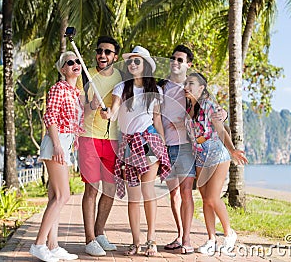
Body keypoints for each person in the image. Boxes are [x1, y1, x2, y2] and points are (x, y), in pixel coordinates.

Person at [101, 46, 171, 257]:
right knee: (133, 197)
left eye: (137, 61)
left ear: (146, 65)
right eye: (130, 61)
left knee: (148, 193)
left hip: (149, 141)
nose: (132, 64)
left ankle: (152, 240)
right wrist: (108, 115)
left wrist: (163, 145)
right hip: (129, 145)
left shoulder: (155, 91)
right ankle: (136, 241)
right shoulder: (121, 88)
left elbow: (157, 119)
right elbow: (113, 111)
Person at [160, 45, 227, 254]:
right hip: (167, 146)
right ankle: (180, 236)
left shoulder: (192, 87)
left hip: (188, 147)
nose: (175, 62)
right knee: (173, 195)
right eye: (173, 58)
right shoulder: (162, 87)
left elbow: (213, 107)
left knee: (186, 191)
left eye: (180, 59)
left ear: (188, 64)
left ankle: (188, 239)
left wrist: (222, 114)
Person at [184, 72, 248, 255]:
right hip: (200, 158)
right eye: (186, 83)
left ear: (202, 88)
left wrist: (232, 149)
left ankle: (229, 234)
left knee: (212, 197)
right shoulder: (189, 110)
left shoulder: (209, 106)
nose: (187, 87)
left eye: (191, 84)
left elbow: (220, 130)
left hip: (218, 156)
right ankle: (211, 239)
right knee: (205, 199)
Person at [29, 51, 84, 262]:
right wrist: (58, 146)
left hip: (66, 143)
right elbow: (50, 115)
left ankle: (53, 245)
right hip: (56, 142)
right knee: (63, 196)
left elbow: (80, 120)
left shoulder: (76, 93)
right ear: (63, 69)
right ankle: (39, 244)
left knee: (55, 197)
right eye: (70, 62)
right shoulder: (59, 88)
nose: (75, 64)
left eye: (77, 61)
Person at [76, 36, 122, 257]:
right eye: (99, 51)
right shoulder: (85, 76)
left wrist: (111, 113)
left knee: (110, 189)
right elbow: (76, 109)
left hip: (112, 140)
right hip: (89, 137)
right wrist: (90, 106)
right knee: (91, 189)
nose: (102, 55)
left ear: (115, 57)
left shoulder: (120, 78)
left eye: (107, 52)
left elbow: (119, 107)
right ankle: (89, 239)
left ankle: (100, 232)